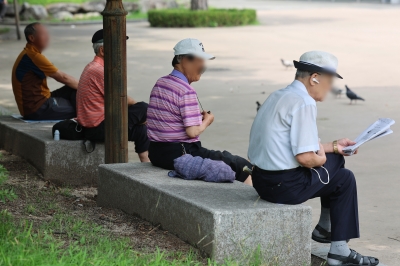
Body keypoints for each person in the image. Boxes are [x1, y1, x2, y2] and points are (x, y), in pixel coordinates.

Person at [248, 51, 379, 266]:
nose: (330, 87)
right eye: (329, 81)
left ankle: (337, 247)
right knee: (336, 163)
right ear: (314, 78)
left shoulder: (279, 95)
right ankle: (326, 232)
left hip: (262, 180)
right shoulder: (304, 102)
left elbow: (298, 145)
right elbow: (306, 158)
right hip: (284, 187)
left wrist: (334, 146)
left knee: (344, 179)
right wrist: (323, 159)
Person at [147, 38, 253, 184]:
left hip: (156, 153)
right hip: (181, 154)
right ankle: (249, 206)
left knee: (225, 158)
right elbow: (192, 132)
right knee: (241, 165)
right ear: (185, 60)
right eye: (201, 61)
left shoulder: (161, 82)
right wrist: (207, 121)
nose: (203, 66)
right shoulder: (186, 90)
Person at [76, 29, 150, 162]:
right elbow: (124, 99)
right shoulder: (98, 70)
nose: (122, 51)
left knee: (141, 129)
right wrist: (143, 114)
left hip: (102, 123)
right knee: (144, 108)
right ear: (103, 51)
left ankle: (146, 163)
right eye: (117, 47)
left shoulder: (95, 67)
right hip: (97, 128)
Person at [11, 22, 78, 120]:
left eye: (47, 34)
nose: (47, 38)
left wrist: (84, 87)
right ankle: (81, 116)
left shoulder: (29, 53)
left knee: (73, 88)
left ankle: (80, 110)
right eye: (43, 34)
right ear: (32, 38)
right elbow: (63, 77)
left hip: (43, 98)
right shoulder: (33, 56)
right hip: (36, 109)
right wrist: (88, 88)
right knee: (83, 108)